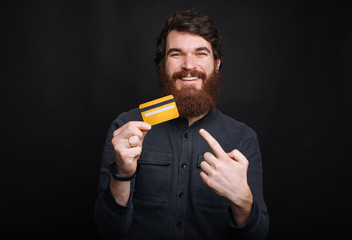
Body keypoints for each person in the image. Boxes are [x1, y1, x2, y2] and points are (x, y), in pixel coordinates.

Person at [94, 9, 269, 240]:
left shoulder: (242, 138)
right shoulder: (127, 127)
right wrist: (122, 175)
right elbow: (108, 231)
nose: (188, 65)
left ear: (216, 64)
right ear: (162, 65)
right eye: (176, 54)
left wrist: (242, 199)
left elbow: (257, 237)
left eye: (200, 53)